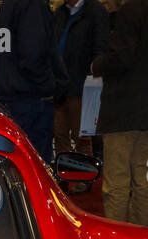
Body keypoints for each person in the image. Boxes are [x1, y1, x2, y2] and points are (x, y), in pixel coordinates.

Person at [90, 0, 148, 225]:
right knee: (142, 180)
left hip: (123, 110)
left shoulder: (131, 11)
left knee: (116, 182)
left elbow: (121, 57)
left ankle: (118, 238)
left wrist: (96, 65)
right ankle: (139, 234)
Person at [0, 0, 66, 161]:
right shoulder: (33, 5)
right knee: (35, 167)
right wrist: (51, 86)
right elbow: (33, 57)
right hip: (30, 101)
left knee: (14, 166)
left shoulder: (8, 5)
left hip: (8, 98)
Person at [52, 0, 109, 160]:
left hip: (83, 87)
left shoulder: (96, 12)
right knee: (59, 135)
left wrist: (94, 80)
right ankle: (63, 177)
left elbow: (101, 49)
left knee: (82, 138)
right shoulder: (60, 13)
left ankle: (84, 180)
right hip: (59, 87)